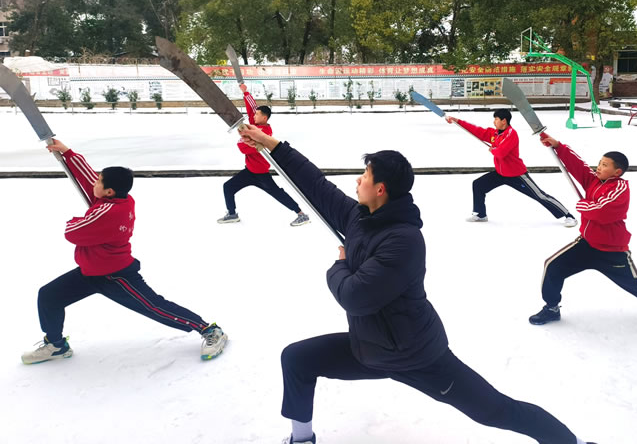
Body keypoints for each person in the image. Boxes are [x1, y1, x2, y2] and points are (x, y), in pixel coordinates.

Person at [237, 123, 596, 444]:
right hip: (369, 349)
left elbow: (356, 297)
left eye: (363, 176)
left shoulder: (404, 240)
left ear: (380, 189)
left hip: (415, 355)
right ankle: (301, 439)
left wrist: (338, 264)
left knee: (495, 411)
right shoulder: (359, 218)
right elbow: (315, 185)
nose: (357, 181)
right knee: (297, 359)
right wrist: (271, 144)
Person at [22, 140, 228, 364]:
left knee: (155, 307)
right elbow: (87, 177)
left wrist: (78, 218)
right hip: (90, 272)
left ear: (109, 191)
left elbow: (72, 232)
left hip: (115, 276)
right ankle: (56, 345)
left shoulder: (107, 213)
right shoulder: (118, 198)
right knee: (49, 296)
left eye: (99, 181)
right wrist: (67, 153)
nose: (95, 182)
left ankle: (210, 330)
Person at [529, 134, 637, 330]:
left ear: (617, 172)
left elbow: (602, 211)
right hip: (587, 244)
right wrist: (558, 146)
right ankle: (552, 308)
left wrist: (583, 205)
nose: (599, 167)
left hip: (612, 251)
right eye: (600, 162)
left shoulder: (620, 188)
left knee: (635, 283)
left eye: (605, 165)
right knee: (552, 266)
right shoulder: (593, 181)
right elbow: (578, 165)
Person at [444, 109, 577, 227]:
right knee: (478, 185)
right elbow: (477, 131)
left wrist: (492, 150)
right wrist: (457, 121)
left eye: (496, 119)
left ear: (504, 121)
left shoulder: (511, 134)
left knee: (540, 196)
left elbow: (501, 153)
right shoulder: (495, 133)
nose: (494, 121)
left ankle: (568, 216)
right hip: (501, 174)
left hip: (517, 175)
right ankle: (480, 214)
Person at [217, 83, 310, 226]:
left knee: (278, 194)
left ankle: (301, 215)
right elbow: (252, 110)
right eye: (254, 114)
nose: (253, 116)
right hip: (250, 171)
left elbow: (244, 148)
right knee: (228, 187)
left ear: (265, 118)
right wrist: (246, 93)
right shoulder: (255, 126)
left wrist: (241, 141)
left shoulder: (264, 133)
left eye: (257, 115)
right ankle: (232, 213)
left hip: (261, 173)